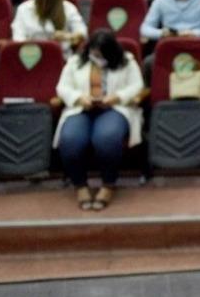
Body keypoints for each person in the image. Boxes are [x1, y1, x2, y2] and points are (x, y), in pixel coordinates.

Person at [54, 29, 144, 212]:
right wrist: (79, 98)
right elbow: (62, 87)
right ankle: (80, 186)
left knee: (107, 138)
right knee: (70, 140)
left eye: (101, 55)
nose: (97, 57)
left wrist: (117, 97)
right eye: (94, 53)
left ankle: (107, 185)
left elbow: (137, 85)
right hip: (81, 108)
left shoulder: (127, 61)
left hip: (114, 108)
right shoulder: (75, 62)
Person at [11, 0, 87, 56]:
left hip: (61, 57)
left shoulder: (68, 8)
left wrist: (66, 36)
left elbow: (82, 33)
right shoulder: (23, 9)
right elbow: (18, 39)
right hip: (31, 56)